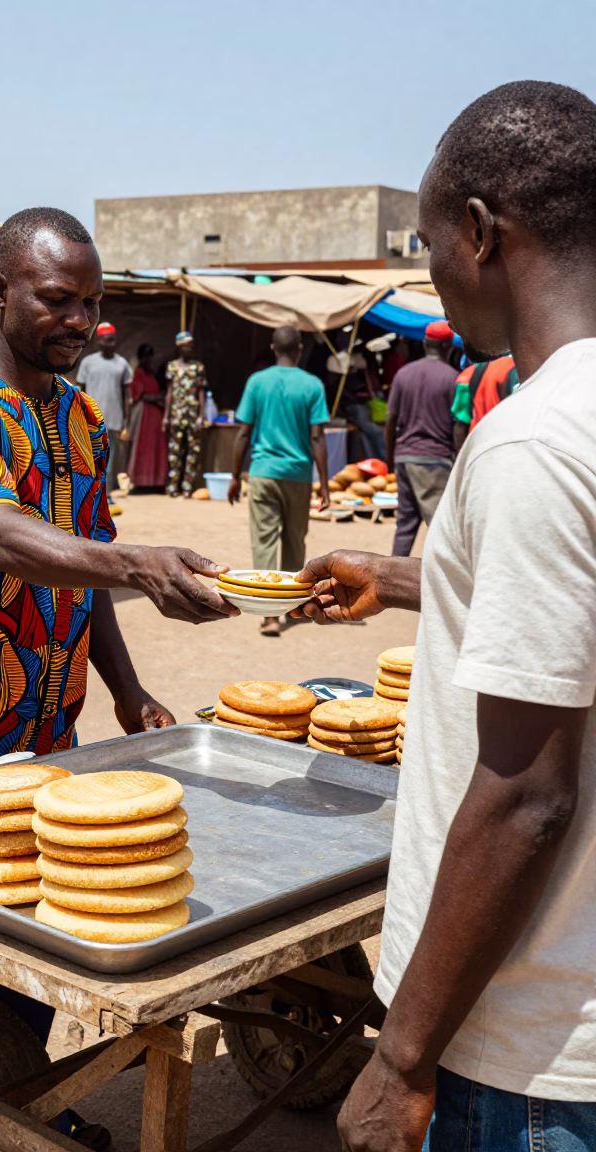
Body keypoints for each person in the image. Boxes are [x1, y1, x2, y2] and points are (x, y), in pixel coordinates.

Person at [0, 209, 236, 1087]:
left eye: (92, 303)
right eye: (58, 299)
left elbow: (77, 566)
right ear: (0, 294)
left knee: (37, 926)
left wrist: (127, 686)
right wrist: (135, 563)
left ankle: (11, 1096)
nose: (80, 319)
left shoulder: (81, 418)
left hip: (47, 721)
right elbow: (2, 538)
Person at [298, 81, 596, 1152]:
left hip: (530, 1052)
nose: (432, 271)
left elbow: (528, 798)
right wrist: (401, 580)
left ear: (478, 232)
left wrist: (401, 1057)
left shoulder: (534, 441)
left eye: (428, 244)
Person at [228, 325, 330, 637]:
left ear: (273, 348)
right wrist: (324, 485)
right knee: (294, 541)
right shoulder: (312, 385)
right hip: (298, 475)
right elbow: (317, 437)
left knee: (264, 541)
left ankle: (269, 615)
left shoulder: (257, 382)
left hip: (263, 472)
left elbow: (243, 432)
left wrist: (235, 476)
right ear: (299, 349)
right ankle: (293, 606)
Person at [385, 319, 458, 557]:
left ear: (425, 344)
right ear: (448, 347)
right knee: (439, 525)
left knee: (405, 524)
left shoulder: (403, 375)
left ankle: (390, 583)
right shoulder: (453, 378)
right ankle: (443, 584)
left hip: (404, 457)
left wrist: (390, 458)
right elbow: (458, 426)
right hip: (434, 460)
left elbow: (390, 421)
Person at [75, 321, 131, 493]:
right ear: (99, 341)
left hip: (113, 420)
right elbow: (80, 392)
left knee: (110, 458)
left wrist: (126, 422)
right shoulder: (88, 363)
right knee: (90, 457)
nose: (110, 344)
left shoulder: (122, 364)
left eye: (112, 340)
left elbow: (126, 395)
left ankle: (106, 494)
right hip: (91, 419)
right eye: (106, 340)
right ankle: (90, 493)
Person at [326, 335, 386, 461]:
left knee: (367, 434)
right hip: (348, 406)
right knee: (375, 432)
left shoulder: (354, 360)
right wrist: (354, 398)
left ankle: (376, 460)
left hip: (357, 403)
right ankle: (384, 459)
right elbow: (336, 389)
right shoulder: (335, 361)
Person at [163, 331, 206, 497]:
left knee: (192, 452)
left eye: (191, 345)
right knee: (175, 453)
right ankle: (173, 487)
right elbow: (170, 392)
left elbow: (201, 392)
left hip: (193, 415)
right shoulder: (172, 366)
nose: (190, 348)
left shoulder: (198, 367)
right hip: (176, 415)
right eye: (186, 345)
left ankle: (188, 487)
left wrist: (202, 416)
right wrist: (166, 417)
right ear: (179, 347)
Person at [451, 354, 519, 450]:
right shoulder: (516, 369)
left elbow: (460, 426)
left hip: (478, 451)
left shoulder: (469, 375)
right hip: (504, 449)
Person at [127, 343, 168, 488]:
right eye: (145, 356)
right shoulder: (139, 373)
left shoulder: (152, 374)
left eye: (150, 356)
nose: (148, 359)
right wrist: (159, 397)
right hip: (144, 416)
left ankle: (155, 481)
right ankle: (141, 481)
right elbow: (141, 395)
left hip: (156, 416)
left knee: (156, 448)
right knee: (144, 447)